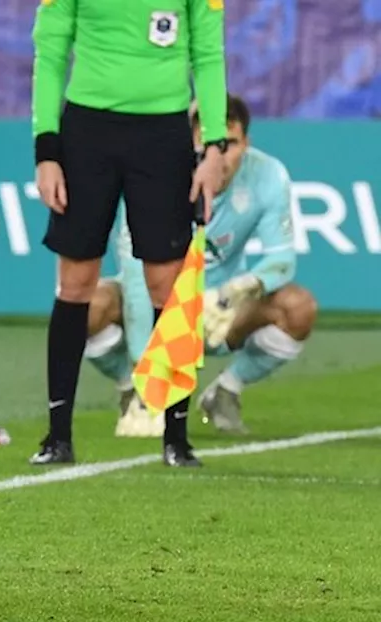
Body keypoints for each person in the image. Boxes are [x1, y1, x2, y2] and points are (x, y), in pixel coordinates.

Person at [30, 0, 229, 467]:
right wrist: (46, 149)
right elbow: (51, 52)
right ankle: (58, 436)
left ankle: (175, 438)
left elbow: (209, 54)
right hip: (86, 133)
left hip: (163, 135)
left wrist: (214, 145)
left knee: (167, 283)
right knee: (75, 282)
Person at [85, 94, 318, 437]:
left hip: (221, 314)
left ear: (246, 143)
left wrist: (234, 291)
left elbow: (282, 260)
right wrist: (144, 374)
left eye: (230, 144)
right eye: (209, 144)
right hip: (156, 305)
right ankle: (129, 390)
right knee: (86, 307)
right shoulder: (152, 178)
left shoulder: (267, 175)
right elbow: (136, 276)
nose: (219, 158)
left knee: (298, 308)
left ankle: (226, 391)